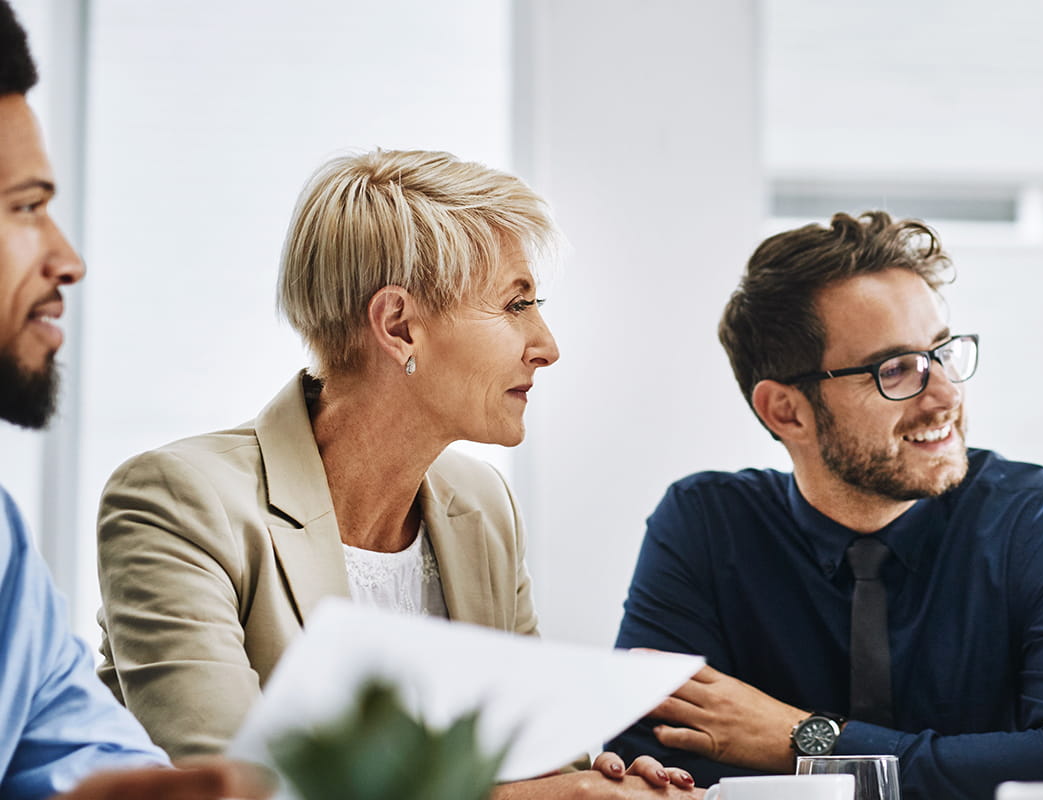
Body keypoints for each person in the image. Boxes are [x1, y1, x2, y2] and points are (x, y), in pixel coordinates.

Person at [91, 149, 692, 798]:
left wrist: (605, 784)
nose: (546, 345)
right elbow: (236, 786)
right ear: (399, 326)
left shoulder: (483, 505)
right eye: (517, 305)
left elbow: (540, 760)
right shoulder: (178, 501)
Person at [608, 211, 1043, 799]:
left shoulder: (1035, 517)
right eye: (896, 369)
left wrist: (802, 739)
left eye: (942, 351)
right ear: (787, 412)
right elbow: (654, 767)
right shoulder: (706, 524)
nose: (945, 395)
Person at [0, 3, 269, 797]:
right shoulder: (181, 498)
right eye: (24, 207)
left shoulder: (3, 550)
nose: (67, 258)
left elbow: (80, 758)